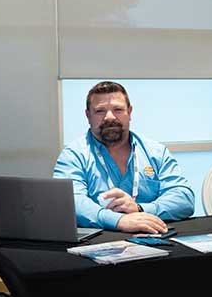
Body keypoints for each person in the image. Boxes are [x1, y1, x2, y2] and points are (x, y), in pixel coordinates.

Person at [54, 81, 195, 234]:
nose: (109, 117)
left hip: (153, 237)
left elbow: (184, 198)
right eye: (100, 111)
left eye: (118, 109)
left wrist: (140, 209)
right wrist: (118, 220)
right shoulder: (73, 155)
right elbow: (71, 202)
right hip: (99, 242)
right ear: (88, 116)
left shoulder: (156, 152)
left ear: (130, 112)